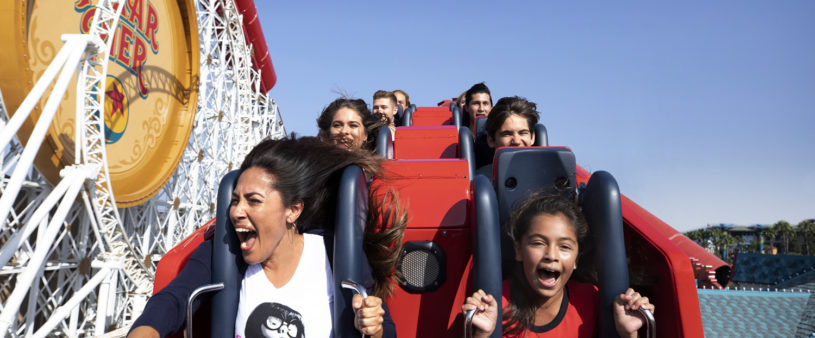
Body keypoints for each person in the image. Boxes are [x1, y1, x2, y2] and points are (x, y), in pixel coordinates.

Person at [129, 136, 407, 338]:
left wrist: (375, 327)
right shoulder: (228, 253)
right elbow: (173, 300)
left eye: (253, 200)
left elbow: (387, 331)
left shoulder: (333, 253)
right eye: (235, 200)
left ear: (292, 210)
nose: (237, 211)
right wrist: (145, 331)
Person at [462, 191, 654, 338]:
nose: (551, 255)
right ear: (519, 250)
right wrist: (482, 335)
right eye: (538, 243)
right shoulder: (495, 305)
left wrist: (628, 334)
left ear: (576, 259)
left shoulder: (592, 300)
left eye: (564, 247)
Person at [474, 96, 539, 180]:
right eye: (507, 134)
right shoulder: (480, 180)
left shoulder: (549, 176)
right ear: (491, 140)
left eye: (523, 133)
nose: (516, 141)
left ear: (532, 137)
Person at [316, 98, 384, 151]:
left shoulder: (377, 168)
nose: (344, 131)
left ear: (365, 134)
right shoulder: (313, 166)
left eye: (353, 125)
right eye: (337, 125)